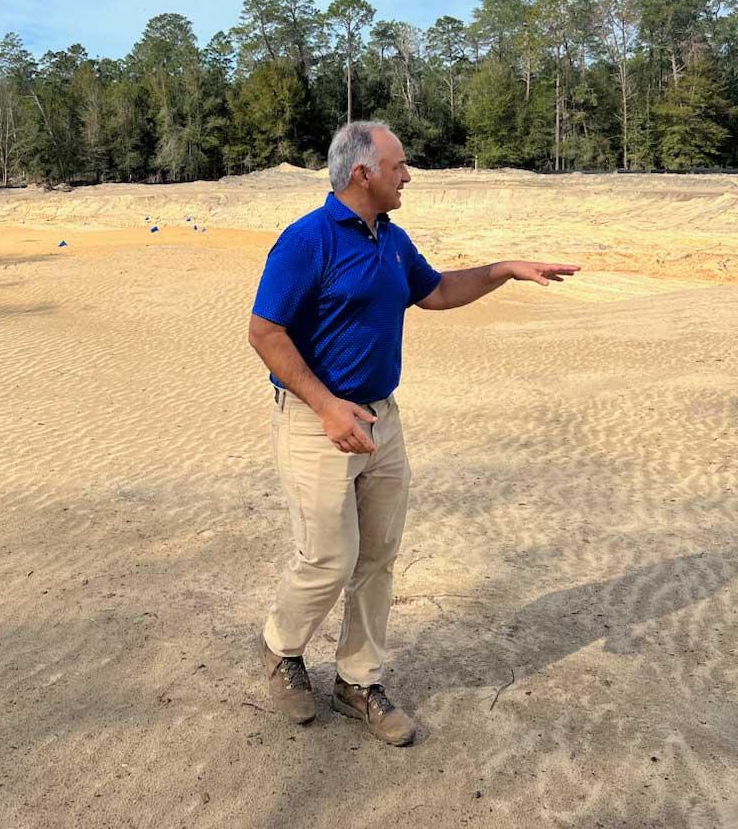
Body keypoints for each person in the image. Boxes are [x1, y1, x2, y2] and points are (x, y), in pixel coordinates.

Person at [248, 121, 579, 746]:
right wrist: (326, 408)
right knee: (327, 557)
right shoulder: (306, 241)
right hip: (316, 422)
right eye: (399, 166)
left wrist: (504, 268)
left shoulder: (393, 240)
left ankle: (357, 680)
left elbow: (438, 292)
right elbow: (266, 334)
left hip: (382, 419)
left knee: (377, 556)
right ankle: (280, 648)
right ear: (362, 173)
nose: (408, 176)